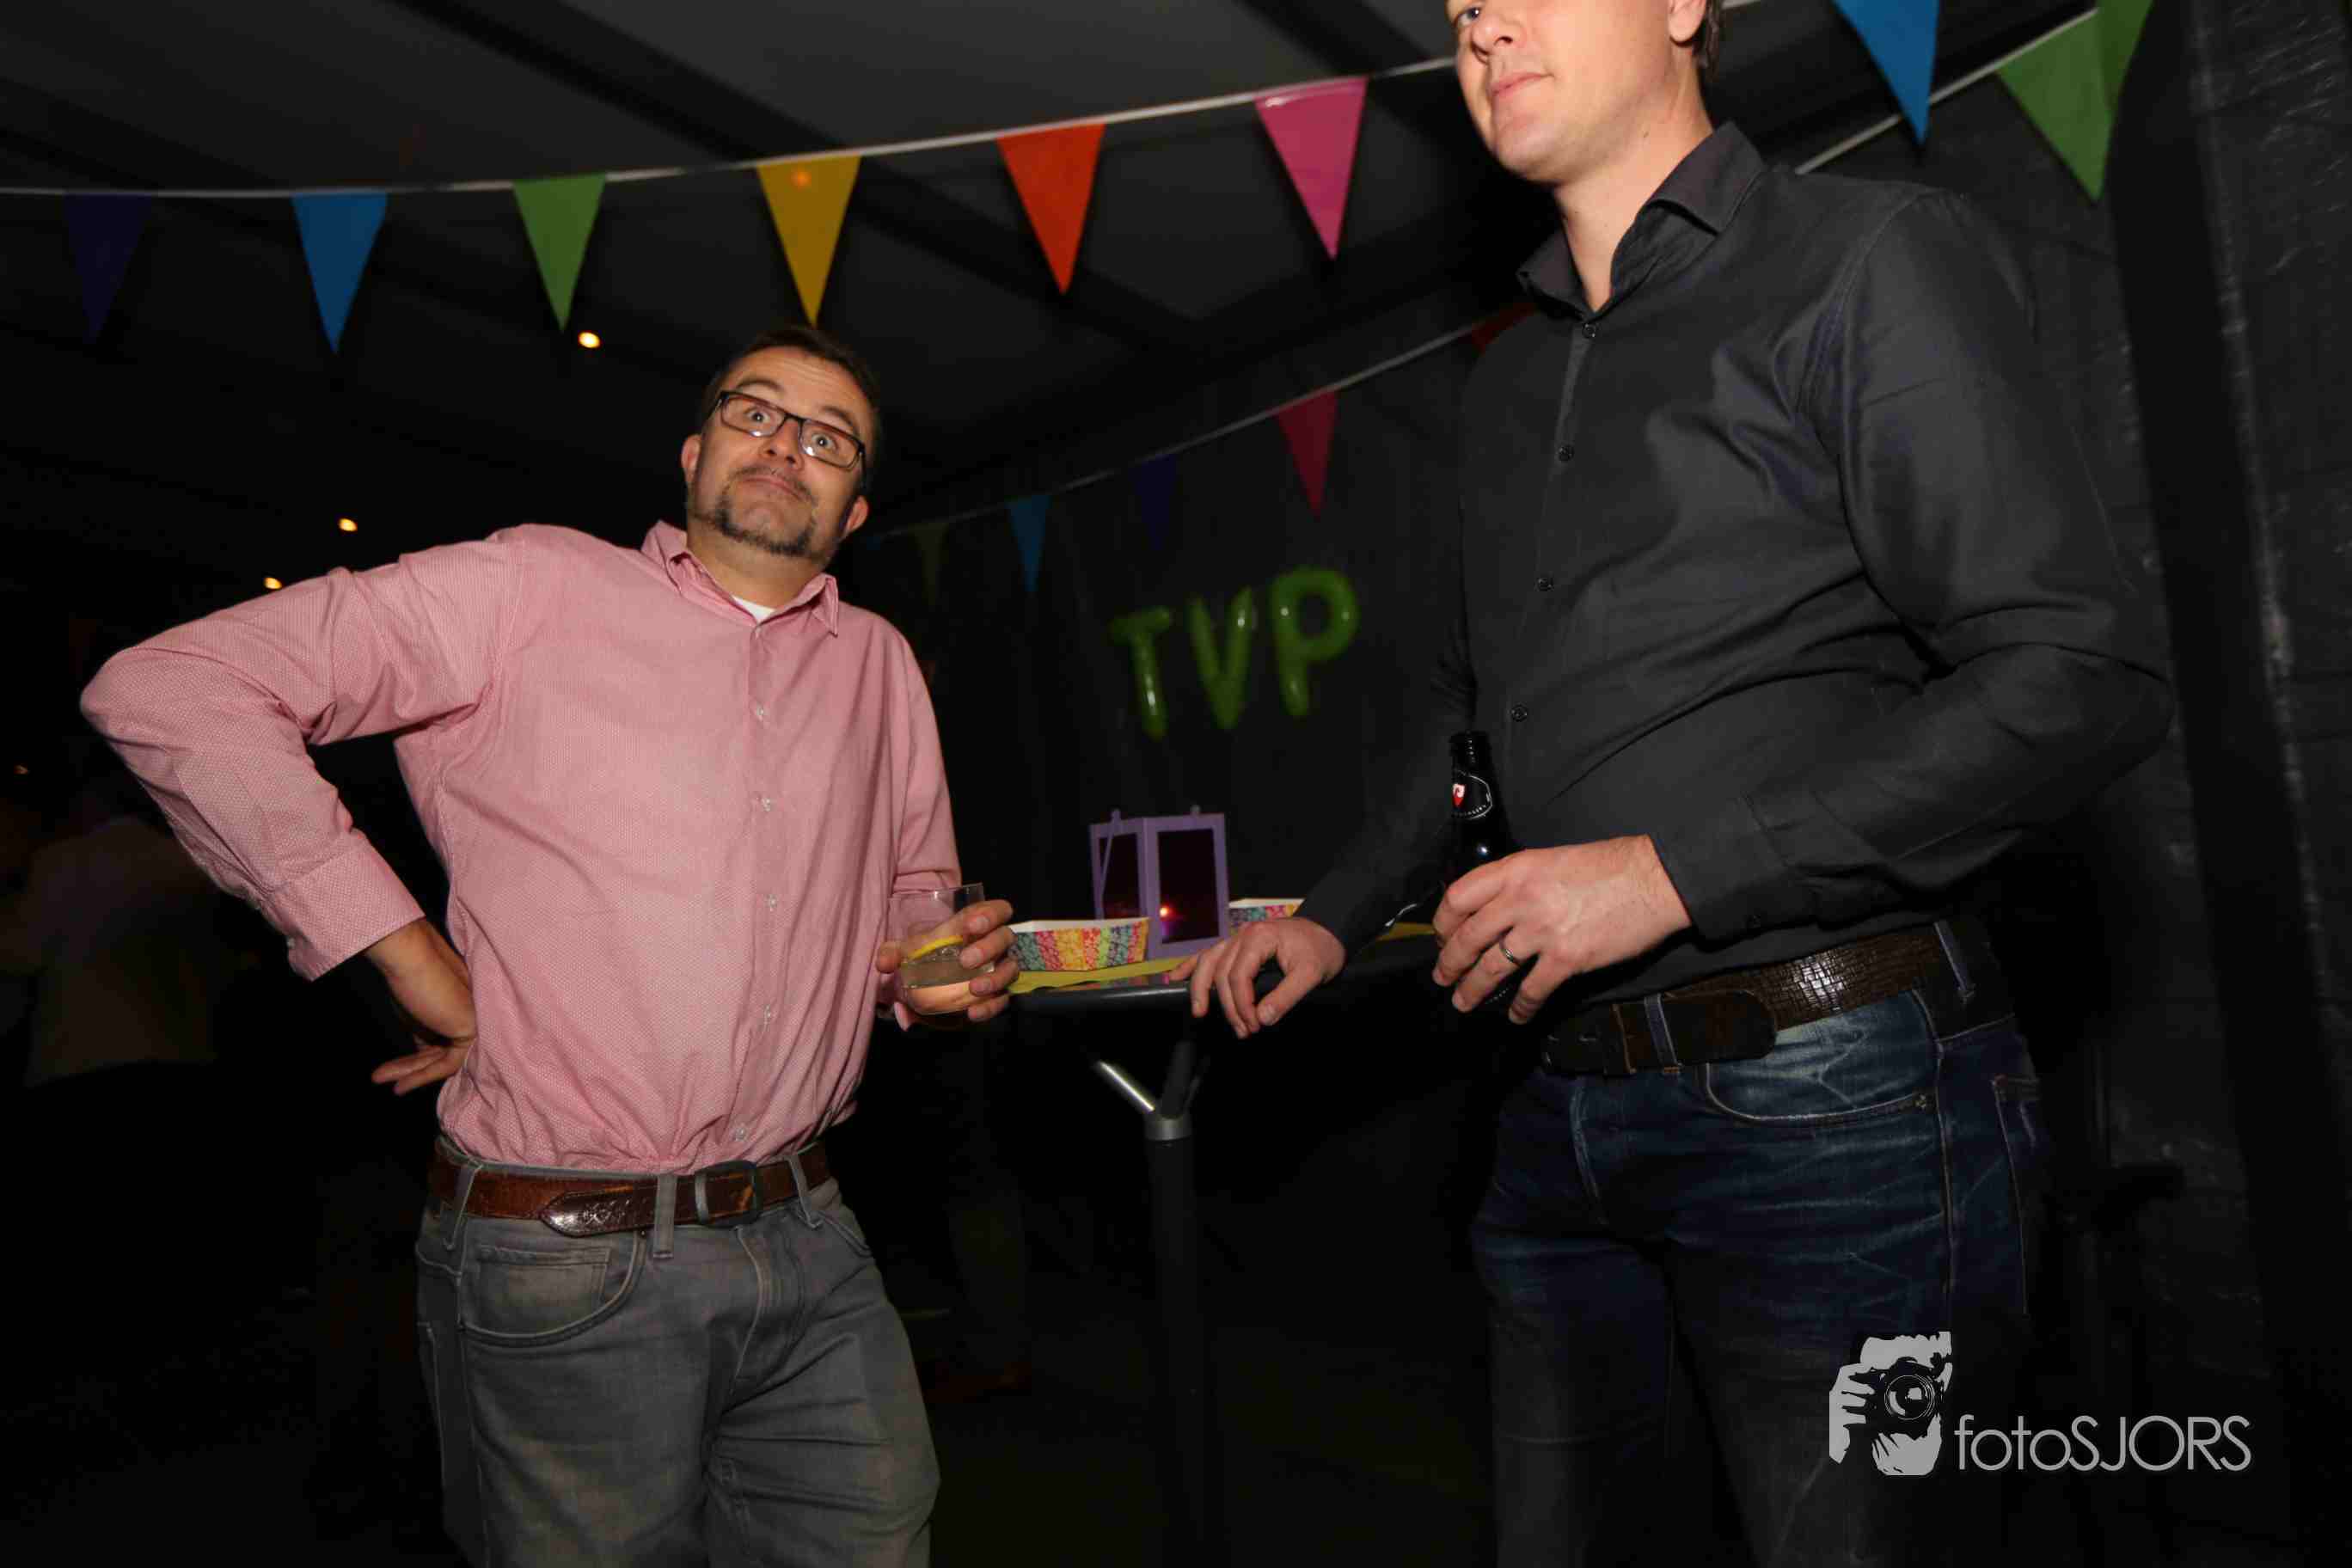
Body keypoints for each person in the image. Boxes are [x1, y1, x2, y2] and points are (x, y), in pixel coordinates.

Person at [1182, 2, 2171, 1562]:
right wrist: (1335, 911)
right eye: (1460, 6)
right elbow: (1470, 722)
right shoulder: (1506, 387)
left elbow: (2077, 673)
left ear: (1685, 5)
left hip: (1837, 1096)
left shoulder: (1863, 258)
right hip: (1552, 1106)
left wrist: (1670, 873)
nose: (1483, 23)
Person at [82, 323, 1020, 1567]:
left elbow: (910, 897)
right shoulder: (528, 588)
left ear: (853, 512)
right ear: (692, 454)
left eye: (829, 437)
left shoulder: (881, 666)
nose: (786, 444)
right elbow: (171, 689)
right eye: (754, 412)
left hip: (813, 1231)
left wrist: (932, 974)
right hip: (569, 1253)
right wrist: (400, 948)